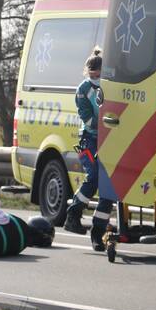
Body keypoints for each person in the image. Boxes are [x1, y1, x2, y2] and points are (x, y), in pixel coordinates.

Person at [64, 48, 114, 251]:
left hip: (111, 139)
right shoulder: (83, 90)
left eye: (99, 76)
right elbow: (88, 119)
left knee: (109, 186)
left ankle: (98, 232)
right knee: (93, 177)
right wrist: (107, 122)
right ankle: (73, 214)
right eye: (92, 76)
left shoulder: (111, 87)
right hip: (89, 139)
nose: (96, 79)